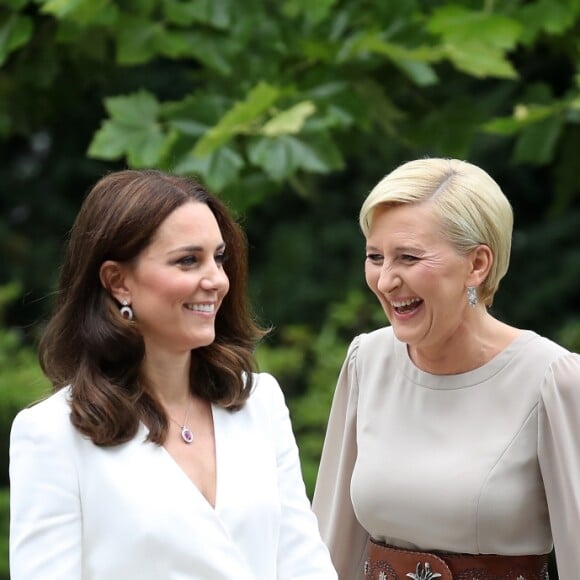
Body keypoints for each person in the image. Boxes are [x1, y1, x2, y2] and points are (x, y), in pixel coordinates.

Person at [10, 169, 337, 580]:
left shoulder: (260, 403)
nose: (216, 280)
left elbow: (304, 564)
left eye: (218, 258)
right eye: (188, 260)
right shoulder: (52, 433)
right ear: (118, 282)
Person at [312, 157, 580, 580]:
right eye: (375, 257)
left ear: (477, 265)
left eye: (408, 257)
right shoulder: (368, 361)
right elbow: (330, 547)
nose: (385, 281)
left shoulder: (553, 380)